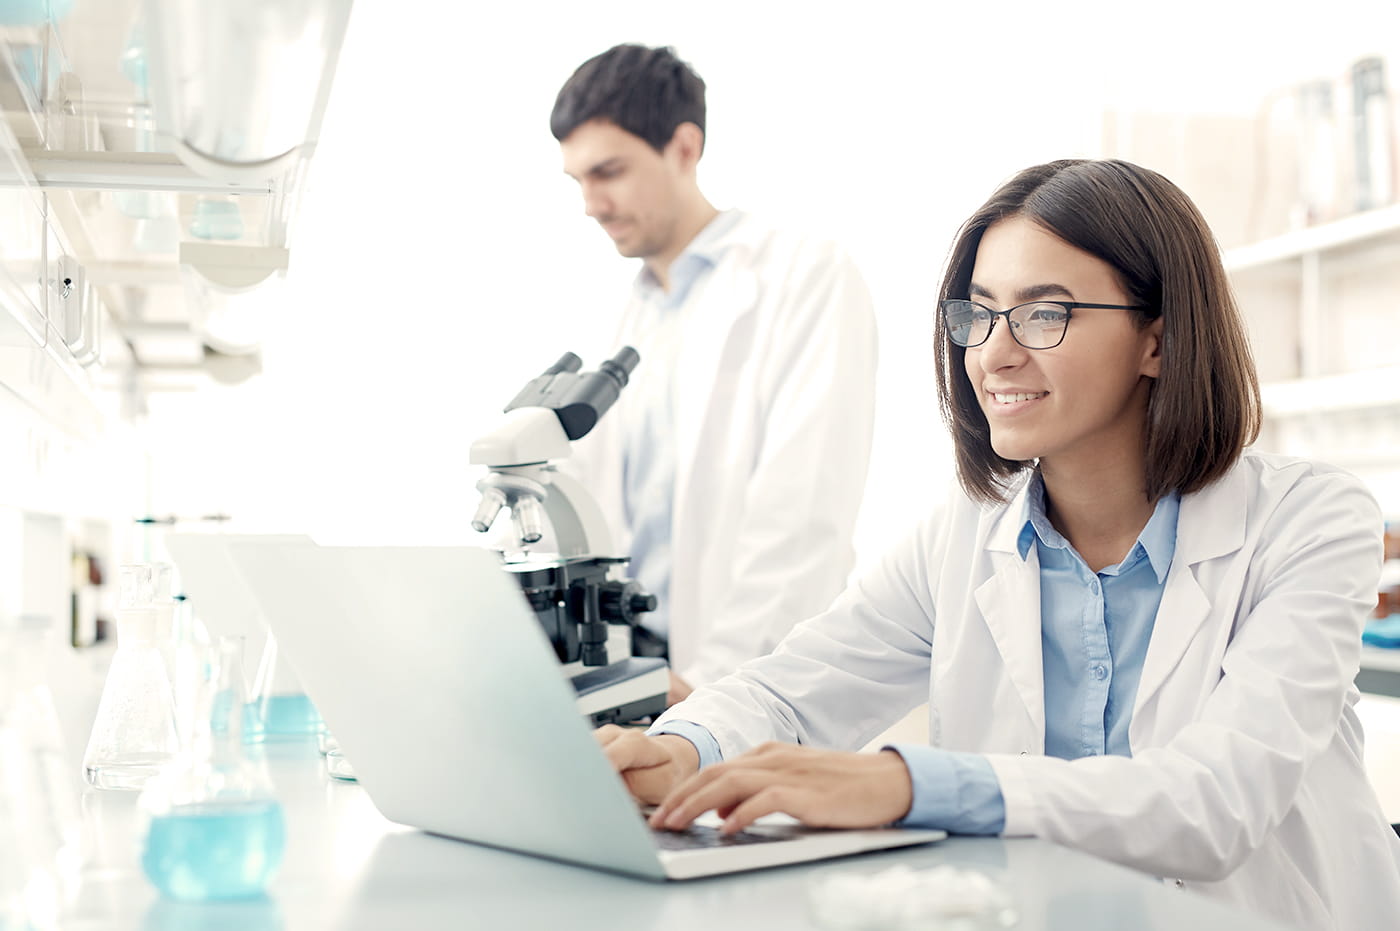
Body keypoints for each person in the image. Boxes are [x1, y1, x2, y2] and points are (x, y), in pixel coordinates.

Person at [596, 158, 1400, 930]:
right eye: (976, 313)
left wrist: (904, 783)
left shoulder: (1310, 521)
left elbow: (1215, 801)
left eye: (1044, 313)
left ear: (1157, 339)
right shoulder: (963, 528)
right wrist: (681, 749)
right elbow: (793, 688)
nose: (992, 352)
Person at [550, 45, 878, 704]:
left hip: (740, 675)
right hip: (635, 671)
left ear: (683, 148)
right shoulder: (624, 314)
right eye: (577, 179)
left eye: (608, 171)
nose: (591, 202)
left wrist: (712, 686)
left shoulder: (804, 277)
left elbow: (803, 515)